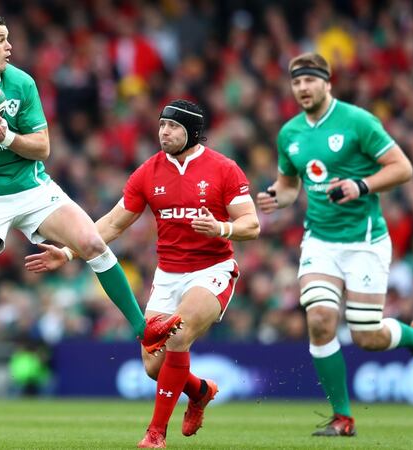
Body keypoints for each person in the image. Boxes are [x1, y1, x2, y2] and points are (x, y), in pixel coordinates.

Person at [0, 14, 181, 410]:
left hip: (33, 191)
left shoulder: (22, 83)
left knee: (92, 241)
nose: (9, 46)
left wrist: (7, 137)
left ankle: (142, 330)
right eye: (0, 39)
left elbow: (43, 147)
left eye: (8, 38)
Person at [25, 99, 260, 448]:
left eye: (174, 127)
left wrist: (222, 229)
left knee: (178, 336)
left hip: (212, 270)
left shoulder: (223, 169)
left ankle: (155, 434)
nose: (164, 132)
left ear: (193, 132)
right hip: (167, 275)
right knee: (153, 367)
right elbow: (114, 223)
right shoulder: (148, 171)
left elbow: (251, 225)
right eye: (162, 125)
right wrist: (70, 250)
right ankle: (198, 392)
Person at [256, 52, 413, 437]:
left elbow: (402, 168)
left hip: (365, 242)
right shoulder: (290, 133)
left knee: (366, 335)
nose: (303, 88)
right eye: (296, 82)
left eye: (310, 80)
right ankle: (343, 418)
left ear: (327, 82)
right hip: (320, 242)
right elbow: (292, 186)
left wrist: (360, 185)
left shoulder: (358, 121)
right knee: (321, 320)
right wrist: (277, 196)